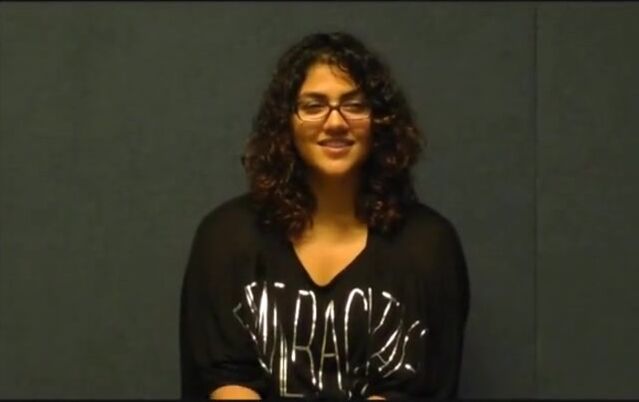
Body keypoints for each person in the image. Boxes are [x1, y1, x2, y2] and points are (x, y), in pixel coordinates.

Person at [179, 31, 470, 400]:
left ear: (379, 120)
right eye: (314, 105)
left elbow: (415, 386)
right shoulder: (226, 238)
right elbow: (224, 377)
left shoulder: (428, 247)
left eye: (354, 105)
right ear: (286, 122)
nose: (335, 123)